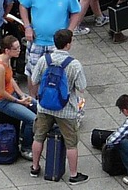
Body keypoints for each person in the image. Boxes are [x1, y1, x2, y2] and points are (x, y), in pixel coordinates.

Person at [26, 29, 88, 182]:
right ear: (68, 44)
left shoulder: (44, 60)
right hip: (66, 110)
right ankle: (73, 175)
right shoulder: (74, 64)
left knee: (39, 137)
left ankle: (34, 168)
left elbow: (34, 80)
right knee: (71, 143)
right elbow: (81, 87)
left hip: (44, 106)